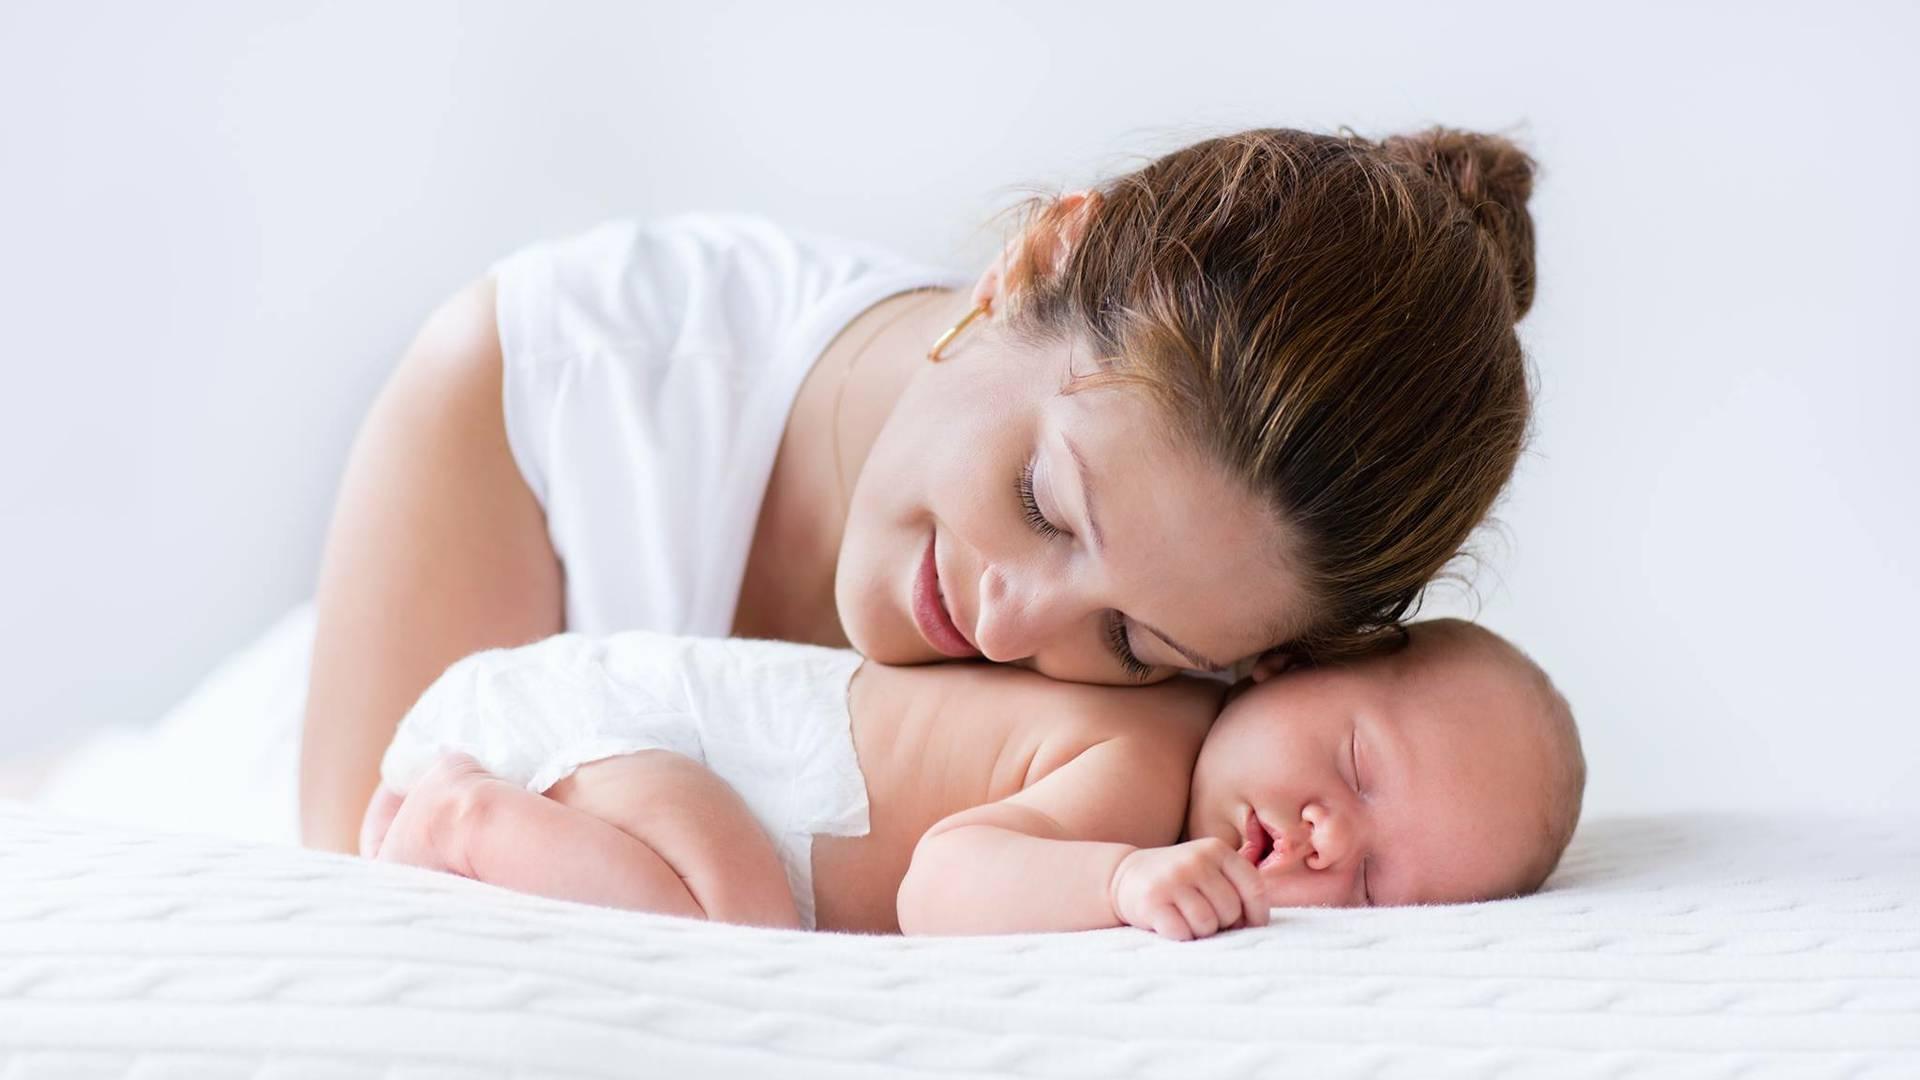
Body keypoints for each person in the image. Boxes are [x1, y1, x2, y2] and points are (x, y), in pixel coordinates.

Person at [302, 125, 1541, 854]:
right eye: (1045, 503)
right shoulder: (552, 380)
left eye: (1129, 638)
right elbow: (373, 878)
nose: (1010, 625)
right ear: (1035, 261)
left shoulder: (1197, 698)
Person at [362, 618, 1585, 936]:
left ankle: (463, 809)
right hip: (626, 729)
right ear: (1297, 661)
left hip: (610, 730)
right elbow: (940, 883)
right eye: (1358, 767)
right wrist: (1117, 881)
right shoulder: (1146, 750)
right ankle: (461, 822)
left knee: (735, 909)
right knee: (736, 928)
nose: (1326, 838)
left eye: (1374, 884)